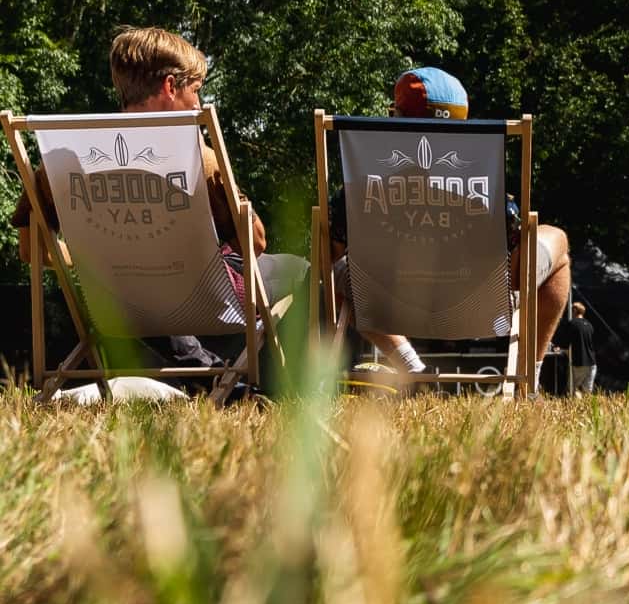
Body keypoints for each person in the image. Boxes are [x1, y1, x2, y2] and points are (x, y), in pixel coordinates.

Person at [10, 27, 306, 374]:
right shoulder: (197, 158)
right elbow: (254, 243)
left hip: (115, 305)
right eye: (195, 90)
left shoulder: (60, 160)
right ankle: (278, 385)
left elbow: (32, 252)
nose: (197, 102)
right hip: (207, 301)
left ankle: (210, 376)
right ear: (170, 86)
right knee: (300, 270)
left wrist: (94, 259)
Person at [328, 67, 572, 384]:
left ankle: (411, 366)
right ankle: (530, 377)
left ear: (396, 119)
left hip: (388, 299)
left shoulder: (359, 190)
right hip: (477, 304)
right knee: (558, 244)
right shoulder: (484, 193)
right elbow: (514, 257)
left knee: (339, 269)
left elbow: (331, 259)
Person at [563, 302, 597, 393]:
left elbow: (566, 344)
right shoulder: (589, 325)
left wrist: (561, 348)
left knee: (572, 390)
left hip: (579, 363)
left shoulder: (572, 324)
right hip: (592, 363)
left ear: (574, 310)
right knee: (587, 392)